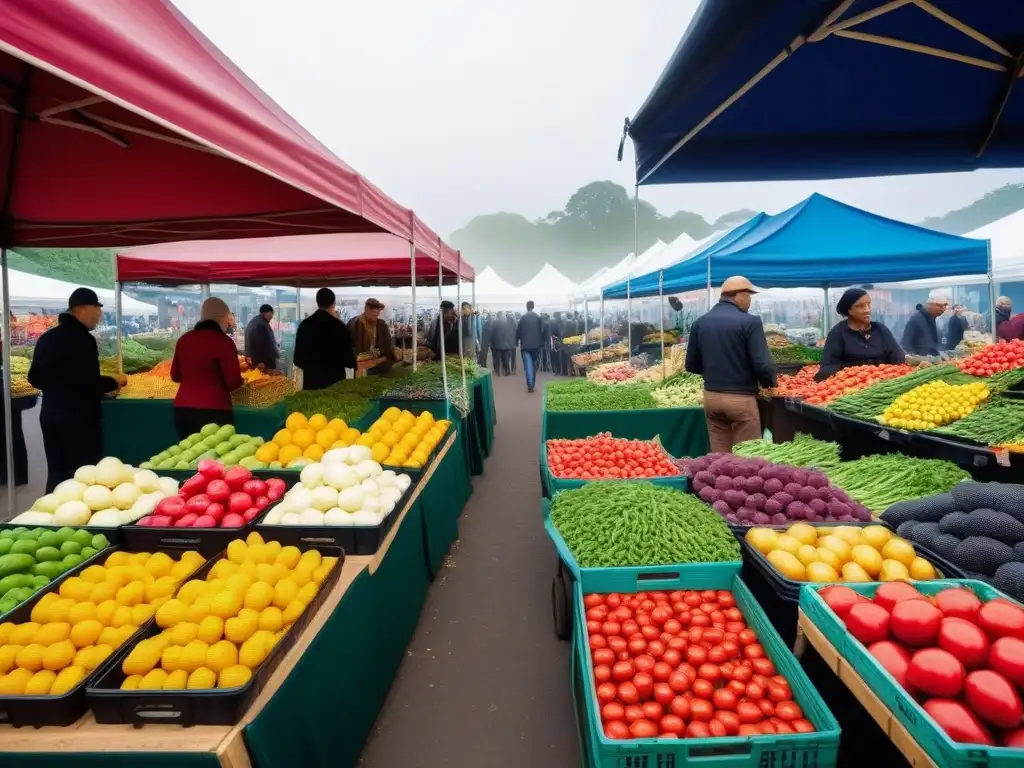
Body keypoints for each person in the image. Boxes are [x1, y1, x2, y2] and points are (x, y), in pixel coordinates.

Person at [28, 288, 120, 492]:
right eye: (98, 310)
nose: (99, 316)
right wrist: (113, 383)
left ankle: (51, 517)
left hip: (50, 415)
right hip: (78, 418)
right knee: (82, 475)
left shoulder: (47, 338)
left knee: (57, 472)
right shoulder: (83, 340)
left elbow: (33, 377)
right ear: (83, 309)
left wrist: (56, 388)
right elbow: (88, 382)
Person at [685, 276, 776, 453]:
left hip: (711, 398)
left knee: (720, 456)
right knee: (747, 456)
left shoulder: (700, 323)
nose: (749, 301)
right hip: (740, 400)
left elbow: (691, 365)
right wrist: (770, 384)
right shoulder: (750, 321)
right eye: (749, 296)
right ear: (739, 295)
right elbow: (762, 363)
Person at [170, 297, 244, 440]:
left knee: (188, 456)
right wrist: (242, 381)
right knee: (215, 458)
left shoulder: (184, 340)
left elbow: (175, 376)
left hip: (182, 411)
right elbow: (233, 382)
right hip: (215, 410)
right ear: (222, 319)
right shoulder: (224, 343)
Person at [815, 289, 905, 381]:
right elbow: (829, 365)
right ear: (849, 310)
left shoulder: (881, 330)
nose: (867, 309)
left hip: (884, 384)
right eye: (860, 306)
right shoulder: (837, 333)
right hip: (851, 386)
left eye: (869, 304)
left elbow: (899, 357)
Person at [293, 288, 357, 389]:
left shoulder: (304, 325)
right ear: (333, 303)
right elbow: (349, 360)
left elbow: (297, 360)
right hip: (335, 384)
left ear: (317, 302)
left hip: (311, 384)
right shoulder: (340, 327)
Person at [348, 298, 401, 374]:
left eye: (378, 311)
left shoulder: (382, 325)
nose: (376, 313)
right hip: (361, 366)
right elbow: (351, 347)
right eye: (372, 310)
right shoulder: (355, 323)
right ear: (366, 309)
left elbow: (388, 346)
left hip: (381, 365)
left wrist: (390, 354)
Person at [516, 300, 544, 393]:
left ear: (526, 307)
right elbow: (542, 330)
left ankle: (530, 384)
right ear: (533, 307)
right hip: (536, 346)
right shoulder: (538, 318)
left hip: (526, 346)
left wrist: (517, 340)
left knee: (528, 366)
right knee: (534, 366)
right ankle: (532, 382)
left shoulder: (523, 318)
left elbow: (518, 331)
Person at [244, 304, 279, 371]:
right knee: (265, 378)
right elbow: (262, 344)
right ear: (266, 313)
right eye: (271, 313)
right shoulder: (261, 324)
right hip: (262, 361)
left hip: (256, 359)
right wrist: (261, 362)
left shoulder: (256, 321)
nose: (272, 316)